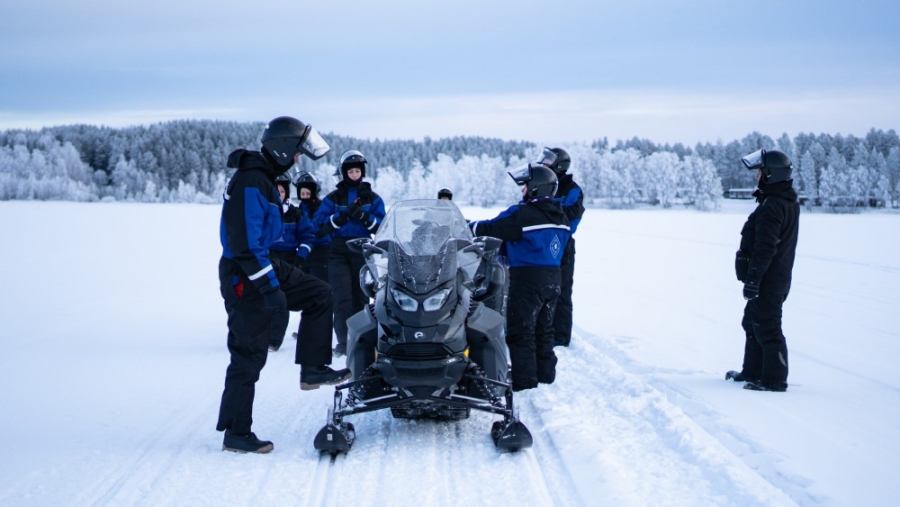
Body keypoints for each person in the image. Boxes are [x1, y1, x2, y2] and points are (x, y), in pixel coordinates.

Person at [216, 116, 350, 454]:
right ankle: (236, 432)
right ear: (282, 149)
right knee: (249, 355)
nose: (297, 159)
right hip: (244, 271)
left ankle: (312, 368)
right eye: (296, 153)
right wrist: (269, 288)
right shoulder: (250, 182)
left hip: (263, 262)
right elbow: (246, 245)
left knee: (320, 293)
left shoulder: (264, 179)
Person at [468, 163, 570, 391]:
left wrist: (467, 226)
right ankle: (545, 375)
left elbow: (491, 228)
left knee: (520, 329)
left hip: (527, 277)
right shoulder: (560, 216)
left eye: (525, 186)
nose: (522, 191)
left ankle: (525, 382)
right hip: (554, 277)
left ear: (536, 188)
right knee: (545, 328)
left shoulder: (523, 214)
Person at [726, 149, 799, 392]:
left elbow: (766, 247)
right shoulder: (778, 201)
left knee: (768, 327)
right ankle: (752, 372)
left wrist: (754, 279)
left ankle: (774, 381)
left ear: (771, 174)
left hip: (769, 279)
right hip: (771, 277)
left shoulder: (774, 205)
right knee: (751, 323)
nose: (756, 177)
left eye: (760, 172)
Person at [314, 150, 386, 357]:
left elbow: (382, 226)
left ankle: (362, 341)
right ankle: (344, 343)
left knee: (362, 297)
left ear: (362, 173)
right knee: (342, 297)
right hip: (338, 250)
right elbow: (318, 225)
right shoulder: (333, 197)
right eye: (351, 171)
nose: (354, 175)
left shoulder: (373, 198)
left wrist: (365, 217)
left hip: (362, 250)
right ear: (343, 173)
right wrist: (342, 217)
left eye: (357, 171)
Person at [537, 147, 584, 347]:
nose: (543, 162)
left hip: (562, 244)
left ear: (559, 164)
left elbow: (573, 215)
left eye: (547, 160)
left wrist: (547, 207)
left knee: (562, 291)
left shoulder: (572, 189)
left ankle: (561, 336)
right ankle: (538, 329)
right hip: (538, 243)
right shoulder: (540, 184)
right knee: (536, 289)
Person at [267, 173, 317, 351]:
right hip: (267, 258)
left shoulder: (296, 214)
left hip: (289, 260)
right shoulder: (264, 212)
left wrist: (300, 257)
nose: (278, 194)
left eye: (281, 191)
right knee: (264, 296)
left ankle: (274, 340)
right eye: (275, 191)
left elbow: (308, 237)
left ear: (286, 193)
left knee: (282, 299)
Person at [293, 171, 331, 283]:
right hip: (306, 249)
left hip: (321, 248)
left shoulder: (320, 207)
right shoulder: (301, 207)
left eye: (308, 194)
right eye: (303, 194)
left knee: (320, 280)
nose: (305, 197)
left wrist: (301, 228)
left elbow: (314, 226)